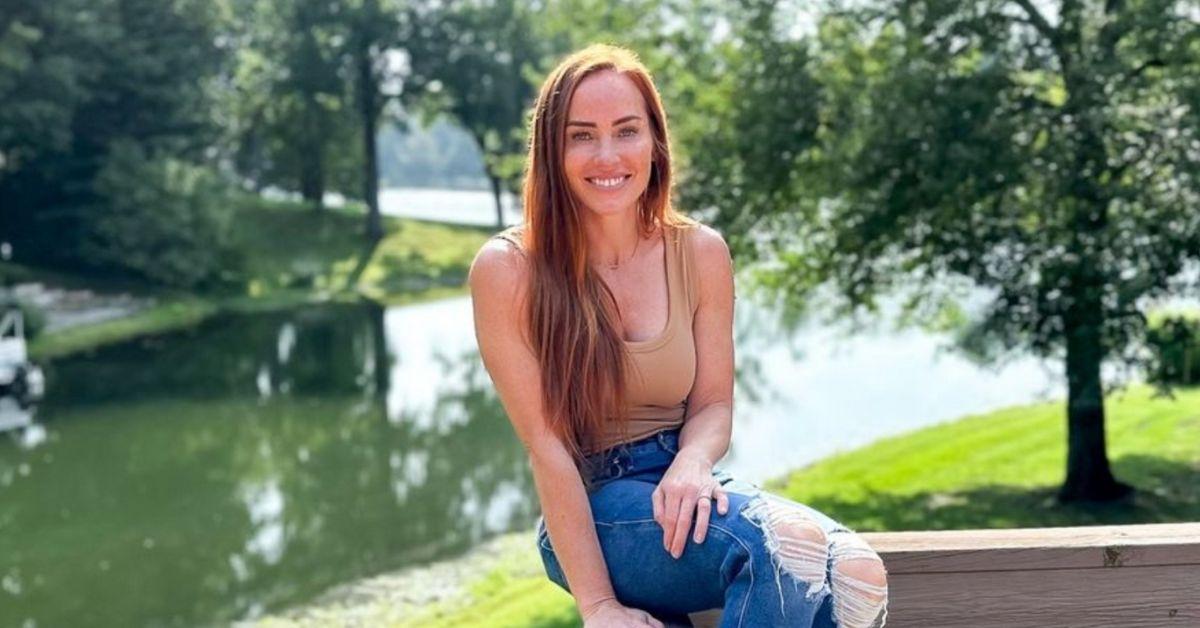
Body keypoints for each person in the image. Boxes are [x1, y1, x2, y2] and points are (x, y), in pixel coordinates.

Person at [469, 44, 889, 628]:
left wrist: (692, 460)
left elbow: (714, 403)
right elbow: (548, 448)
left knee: (859, 576)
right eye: (582, 135)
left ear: (655, 142)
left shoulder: (700, 252)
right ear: (552, 151)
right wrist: (598, 606)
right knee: (781, 548)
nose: (608, 154)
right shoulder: (509, 269)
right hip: (593, 503)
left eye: (626, 131)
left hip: (687, 482)